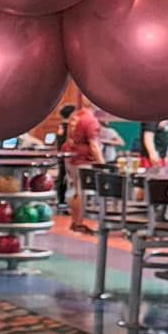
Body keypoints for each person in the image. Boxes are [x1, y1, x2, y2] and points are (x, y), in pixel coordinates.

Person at [65, 95, 106, 235]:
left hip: (72, 158)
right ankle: (78, 223)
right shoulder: (91, 120)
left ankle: (75, 221)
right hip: (82, 160)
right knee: (80, 191)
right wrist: (103, 164)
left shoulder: (75, 116)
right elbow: (94, 146)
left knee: (77, 190)